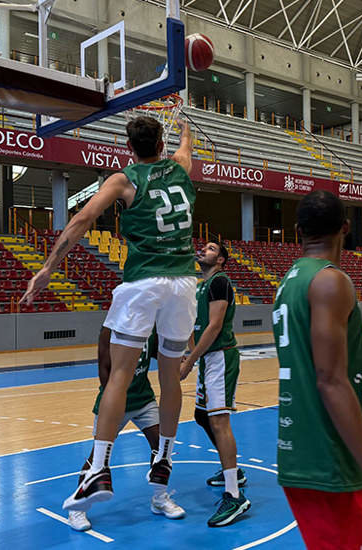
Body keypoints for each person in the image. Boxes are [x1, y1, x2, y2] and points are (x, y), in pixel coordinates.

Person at [21, 115, 197, 512]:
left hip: (144, 283)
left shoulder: (123, 179)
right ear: (162, 141)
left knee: (120, 373)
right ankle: (164, 458)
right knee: (171, 377)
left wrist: (48, 268)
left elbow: (83, 219)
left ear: (127, 145)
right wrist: (185, 127)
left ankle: (99, 467)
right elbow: (187, 149)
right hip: (185, 283)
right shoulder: (182, 167)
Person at [273, 190, 362, 549]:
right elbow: (330, 380)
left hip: (298, 450)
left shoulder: (289, 281)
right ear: (346, 227)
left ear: (298, 230)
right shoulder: (330, 281)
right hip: (327, 456)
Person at [69, 326, 184, 531]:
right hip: (116, 403)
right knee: (97, 457)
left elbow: (160, 352)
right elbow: (104, 369)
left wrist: (180, 359)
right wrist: (113, 403)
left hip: (144, 399)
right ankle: (78, 508)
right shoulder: (108, 329)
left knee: (161, 448)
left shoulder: (152, 327)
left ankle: (159, 498)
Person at [179, 240, 250, 527]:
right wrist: (190, 353)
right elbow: (193, 324)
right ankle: (232, 468)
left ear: (220, 260)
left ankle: (234, 495)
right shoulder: (199, 286)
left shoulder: (220, 282)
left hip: (220, 357)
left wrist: (189, 361)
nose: (203, 250)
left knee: (219, 421)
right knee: (201, 416)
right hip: (207, 358)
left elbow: (215, 326)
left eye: (210, 249)